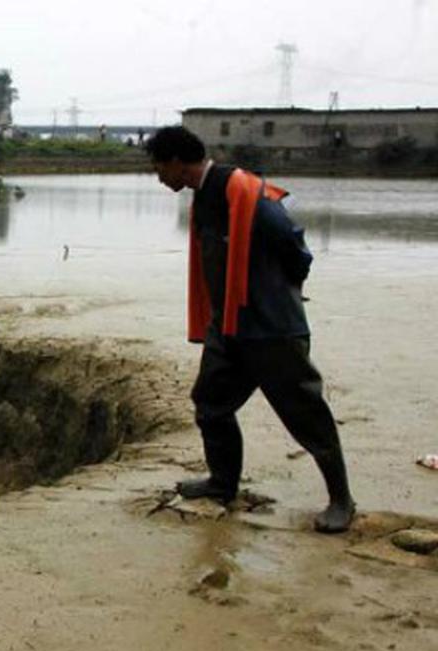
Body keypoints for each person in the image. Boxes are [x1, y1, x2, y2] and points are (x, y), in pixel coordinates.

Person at [145, 125, 355, 533]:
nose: (158, 177)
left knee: (307, 414)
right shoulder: (204, 198)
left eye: (158, 168)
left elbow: (295, 249)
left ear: (175, 162)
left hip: (271, 330)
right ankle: (222, 483)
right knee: (210, 403)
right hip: (229, 328)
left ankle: (341, 500)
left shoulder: (245, 193)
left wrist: (277, 293)